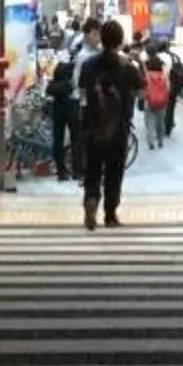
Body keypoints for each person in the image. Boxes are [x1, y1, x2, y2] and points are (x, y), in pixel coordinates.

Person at [73, 18, 138, 229]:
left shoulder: (89, 64)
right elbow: (143, 91)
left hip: (93, 125)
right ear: (120, 41)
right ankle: (110, 213)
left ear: (101, 37)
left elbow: (82, 91)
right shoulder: (128, 67)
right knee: (114, 171)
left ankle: (91, 199)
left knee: (93, 168)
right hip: (119, 127)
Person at [43, 41, 78, 181]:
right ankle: (77, 170)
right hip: (71, 108)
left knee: (58, 140)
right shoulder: (71, 72)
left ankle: (61, 171)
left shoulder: (57, 73)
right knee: (76, 139)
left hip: (58, 109)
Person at [141, 47, 172, 151]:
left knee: (149, 121)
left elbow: (143, 86)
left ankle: (151, 142)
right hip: (162, 100)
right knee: (160, 121)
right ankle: (160, 141)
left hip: (149, 99)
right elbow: (168, 86)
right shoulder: (163, 72)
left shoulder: (146, 70)